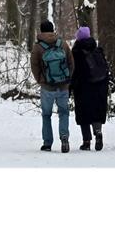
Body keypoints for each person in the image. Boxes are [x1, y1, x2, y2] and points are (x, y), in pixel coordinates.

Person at [31, 19, 74, 152]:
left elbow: (34, 65)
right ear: (53, 29)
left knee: (46, 115)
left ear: (41, 30)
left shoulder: (38, 47)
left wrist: (40, 80)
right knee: (64, 113)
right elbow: (71, 62)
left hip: (47, 87)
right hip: (63, 85)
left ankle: (47, 143)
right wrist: (68, 79)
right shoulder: (62, 44)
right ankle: (64, 137)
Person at [70, 25, 109, 150]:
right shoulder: (98, 50)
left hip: (83, 88)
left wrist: (70, 87)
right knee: (96, 112)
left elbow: (73, 71)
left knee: (83, 114)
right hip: (99, 87)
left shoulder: (76, 52)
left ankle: (86, 141)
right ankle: (98, 133)